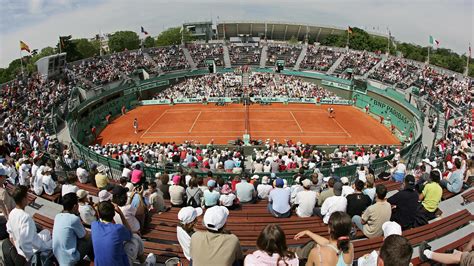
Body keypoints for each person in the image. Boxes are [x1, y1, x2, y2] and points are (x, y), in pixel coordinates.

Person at [6, 185, 52, 263]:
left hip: (20, 248)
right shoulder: (25, 217)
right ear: (24, 199)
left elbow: (10, 233)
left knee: (46, 232)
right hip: (29, 253)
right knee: (54, 242)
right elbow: (24, 243)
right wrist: (30, 259)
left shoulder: (12, 213)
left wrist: (16, 247)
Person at [53, 192, 93, 265]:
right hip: (70, 259)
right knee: (90, 239)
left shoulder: (57, 216)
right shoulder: (73, 219)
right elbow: (85, 236)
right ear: (75, 206)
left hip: (58, 255)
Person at [92, 201, 132, 266]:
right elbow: (130, 235)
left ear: (99, 214)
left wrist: (97, 210)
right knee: (136, 238)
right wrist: (121, 214)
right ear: (114, 214)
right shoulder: (118, 229)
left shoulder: (94, 225)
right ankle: (144, 262)